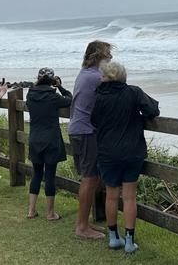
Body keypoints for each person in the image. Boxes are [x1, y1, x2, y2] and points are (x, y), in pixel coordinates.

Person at [90, 61, 159, 253]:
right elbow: (153, 110)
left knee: (111, 196)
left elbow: (93, 120)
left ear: (106, 77)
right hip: (131, 151)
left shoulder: (99, 96)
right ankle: (129, 241)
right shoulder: (133, 92)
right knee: (129, 197)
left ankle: (113, 237)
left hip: (107, 152)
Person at [68, 40, 112, 239]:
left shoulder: (84, 74)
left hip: (79, 129)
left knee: (90, 177)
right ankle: (82, 227)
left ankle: (84, 224)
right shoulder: (96, 77)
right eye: (107, 55)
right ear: (97, 57)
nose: (110, 59)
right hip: (86, 131)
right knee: (90, 178)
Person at [26, 68, 72, 220]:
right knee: (50, 175)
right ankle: (50, 213)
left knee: (37, 174)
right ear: (52, 81)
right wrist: (59, 86)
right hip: (51, 139)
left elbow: (34, 88)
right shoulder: (53, 97)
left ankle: (31, 211)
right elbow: (69, 98)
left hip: (34, 138)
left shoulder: (30, 94)